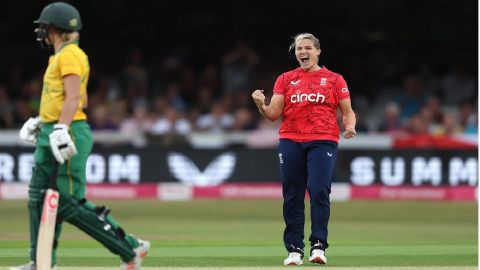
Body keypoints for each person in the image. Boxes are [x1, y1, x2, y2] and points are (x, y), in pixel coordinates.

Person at [13, 2, 150, 269]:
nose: (41, 32)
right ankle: (40, 262)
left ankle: (131, 248)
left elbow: (76, 98)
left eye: (44, 27)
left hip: (69, 130)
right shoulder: (60, 57)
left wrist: (61, 127)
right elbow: (81, 98)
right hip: (55, 128)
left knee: (67, 202)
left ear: (54, 29)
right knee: (38, 197)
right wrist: (44, 121)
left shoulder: (70, 55)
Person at [251, 33, 356, 266]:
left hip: (323, 139)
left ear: (318, 51)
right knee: (292, 194)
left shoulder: (335, 79)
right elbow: (272, 115)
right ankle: (295, 249)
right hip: (290, 139)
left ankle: (318, 246)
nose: (303, 52)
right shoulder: (286, 79)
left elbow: (347, 111)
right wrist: (261, 105)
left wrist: (350, 126)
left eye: (308, 48)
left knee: (319, 190)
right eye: (299, 48)